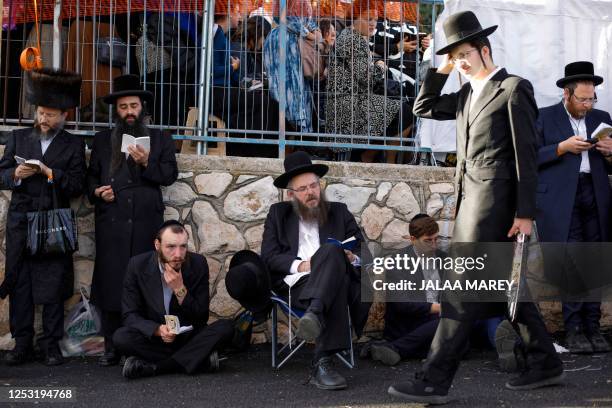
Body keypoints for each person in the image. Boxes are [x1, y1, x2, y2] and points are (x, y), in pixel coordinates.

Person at [388, 11, 563, 404]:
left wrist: (524, 213)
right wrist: (444, 67)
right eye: (456, 56)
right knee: (503, 289)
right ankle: (545, 361)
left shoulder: (514, 89)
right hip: (469, 203)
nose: (461, 62)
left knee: (459, 291)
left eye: (465, 53)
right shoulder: (467, 92)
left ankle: (434, 378)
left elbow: (527, 156)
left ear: (485, 49)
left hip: (495, 208)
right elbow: (423, 106)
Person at [260, 151, 371, 390]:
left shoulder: (339, 212)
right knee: (330, 258)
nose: (311, 192)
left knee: (332, 255)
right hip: (298, 285)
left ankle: (316, 317)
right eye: (303, 189)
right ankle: (323, 362)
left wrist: (351, 258)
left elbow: (365, 254)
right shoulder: (277, 215)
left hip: (335, 281)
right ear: (291, 194)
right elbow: (268, 258)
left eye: (314, 185)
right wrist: (303, 265)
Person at [87, 74, 178, 366]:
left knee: (145, 281)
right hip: (112, 221)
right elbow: (89, 180)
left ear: (142, 108)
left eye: (134, 106)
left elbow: (168, 175)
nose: (129, 112)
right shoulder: (102, 140)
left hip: (145, 222)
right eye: (124, 106)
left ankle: (141, 341)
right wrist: (98, 192)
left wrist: (145, 162)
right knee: (111, 282)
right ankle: (111, 344)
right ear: (117, 110)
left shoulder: (161, 138)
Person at [0, 68, 86, 366]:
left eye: (50, 114)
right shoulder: (19, 138)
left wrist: (52, 174)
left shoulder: (74, 145)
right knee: (19, 282)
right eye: (40, 113)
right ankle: (22, 343)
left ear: (63, 115)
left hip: (53, 223)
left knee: (53, 284)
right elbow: (1, 176)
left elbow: (77, 186)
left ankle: (50, 344)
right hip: (21, 221)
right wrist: (15, 174)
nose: (43, 120)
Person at [535, 61, 612, 354]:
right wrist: (561, 148)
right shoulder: (544, 117)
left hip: (595, 194)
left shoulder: (602, 118)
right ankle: (574, 328)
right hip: (560, 198)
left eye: (592, 98)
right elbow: (529, 157)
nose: (588, 104)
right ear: (566, 95)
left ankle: (593, 326)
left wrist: (610, 152)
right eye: (583, 99)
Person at [113, 220, 235, 379]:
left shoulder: (198, 263)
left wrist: (180, 290)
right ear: (157, 245)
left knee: (226, 328)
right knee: (121, 337)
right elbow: (130, 315)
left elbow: (201, 316)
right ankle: (197, 360)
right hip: (156, 339)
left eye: (183, 246)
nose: (178, 254)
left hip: (187, 336)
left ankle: (156, 367)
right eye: (171, 247)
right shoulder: (137, 265)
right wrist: (157, 330)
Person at [325, 2, 413, 163]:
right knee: (405, 112)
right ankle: (385, 162)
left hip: (352, 102)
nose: (373, 23)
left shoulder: (351, 37)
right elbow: (367, 78)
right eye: (368, 19)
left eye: (375, 19)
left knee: (398, 109)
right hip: (348, 108)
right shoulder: (352, 40)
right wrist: (380, 67)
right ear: (355, 19)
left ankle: (373, 156)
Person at [263, 0, 320, 132]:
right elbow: (289, 20)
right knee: (291, 86)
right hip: (287, 43)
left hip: (284, 41)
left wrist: (313, 31)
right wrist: (311, 35)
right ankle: (295, 129)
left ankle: (293, 130)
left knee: (287, 87)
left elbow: (302, 20)